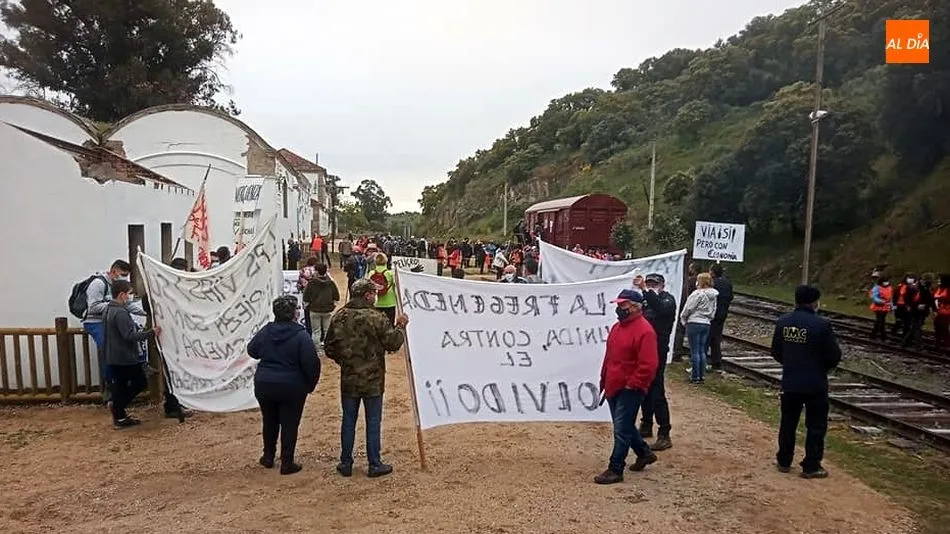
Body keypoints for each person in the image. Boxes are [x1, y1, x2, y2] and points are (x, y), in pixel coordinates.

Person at [324, 279, 409, 478]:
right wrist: (400, 326)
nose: (376, 296)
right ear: (367, 295)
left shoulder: (340, 317)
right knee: (373, 421)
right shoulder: (376, 317)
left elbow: (329, 347)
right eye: (373, 292)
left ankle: (345, 462)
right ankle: (374, 463)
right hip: (373, 380)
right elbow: (393, 343)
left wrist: (345, 360)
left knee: (348, 421)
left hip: (349, 379)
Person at [770, 285, 841, 479]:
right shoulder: (822, 325)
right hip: (815, 382)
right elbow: (834, 355)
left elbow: (776, 351)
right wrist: (820, 367)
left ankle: (784, 460)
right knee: (816, 425)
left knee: (788, 422)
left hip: (790, 380)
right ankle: (811, 465)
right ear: (814, 302)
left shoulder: (783, 322)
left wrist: (791, 363)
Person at [247, 295, 321, 475]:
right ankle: (287, 462)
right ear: (295, 314)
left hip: (265, 383)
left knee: (269, 420)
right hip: (292, 386)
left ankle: (268, 457)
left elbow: (252, 350)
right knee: (289, 424)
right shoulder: (301, 336)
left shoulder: (266, 331)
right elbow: (311, 363)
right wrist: (309, 385)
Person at [594, 289, 659, 485]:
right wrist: (604, 378)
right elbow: (610, 357)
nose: (618, 308)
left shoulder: (645, 331)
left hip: (630, 388)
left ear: (634, 307)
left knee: (621, 429)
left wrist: (634, 384)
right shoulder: (617, 328)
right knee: (625, 426)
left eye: (622, 305)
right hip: (613, 384)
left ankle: (615, 468)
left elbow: (649, 364)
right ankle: (644, 453)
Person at [103, 280, 161, 428]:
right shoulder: (121, 313)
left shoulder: (108, 309)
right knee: (139, 382)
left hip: (113, 356)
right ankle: (118, 407)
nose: (130, 297)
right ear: (122, 294)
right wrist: (151, 333)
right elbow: (129, 336)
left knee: (120, 385)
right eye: (129, 294)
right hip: (125, 357)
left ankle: (119, 415)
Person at [83, 259, 135, 405]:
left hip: (110, 320)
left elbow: (129, 306)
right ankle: (110, 387)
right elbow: (92, 307)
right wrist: (113, 305)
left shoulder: (118, 287)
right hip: (96, 322)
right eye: (123, 274)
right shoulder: (98, 284)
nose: (124, 278)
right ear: (113, 271)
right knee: (108, 351)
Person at [635, 273, 677, 450]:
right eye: (649, 283)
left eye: (654, 284)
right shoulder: (645, 300)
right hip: (643, 350)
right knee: (644, 388)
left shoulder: (667, 300)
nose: (651, 286)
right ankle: (646, 424)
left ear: (662, 285)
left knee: (657, 391)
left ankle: (664, 433)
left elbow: (661, 309)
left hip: (658, 350)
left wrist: (645, 290)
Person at [680, 273, 718, 384]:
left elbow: (688, 307)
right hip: (706, 323)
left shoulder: (697, 294)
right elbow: (714, 311)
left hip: (694, 322)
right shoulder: (714, 296)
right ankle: (701, 375)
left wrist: (683, 318)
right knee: (702, 350)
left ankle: (694, 376)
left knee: (694, 350)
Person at [302, 263, 340, 349]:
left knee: (316, 331)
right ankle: (327, 348)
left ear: (317, 272)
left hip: (314, 310)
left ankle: (316, 349)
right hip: (327, 310)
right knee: (327, 330)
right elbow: (336, 296)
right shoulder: (331, 283)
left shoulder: (311, 283)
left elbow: (306, 297)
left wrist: (307, 305)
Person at [708, 263, 733, 371]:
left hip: (712, 313)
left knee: (708, 337)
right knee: (717, 337)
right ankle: (716, 360)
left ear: (712, 273)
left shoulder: (713, 284)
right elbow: (731, 296)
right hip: (723, 312)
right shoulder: (727, 283)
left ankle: (705, 361)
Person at [369, 253, 397, 325]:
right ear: (386, 261)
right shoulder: (390, 274)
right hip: (390, 303)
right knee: (390, 324)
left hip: (376, 302)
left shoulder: (371, 273)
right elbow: (395, 287)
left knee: (377, 325)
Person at [868, 276, 893, 341]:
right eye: (885, 281)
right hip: (878, 306)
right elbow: (874, 296)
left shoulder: (889, 288)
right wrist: (881, 301)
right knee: (881, 321)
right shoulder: (877, 288)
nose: (886, 283)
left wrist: (891, 305)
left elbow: (890, 298)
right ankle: (883, 337)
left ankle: (873, 335)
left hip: (885, 306)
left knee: (879, 321)